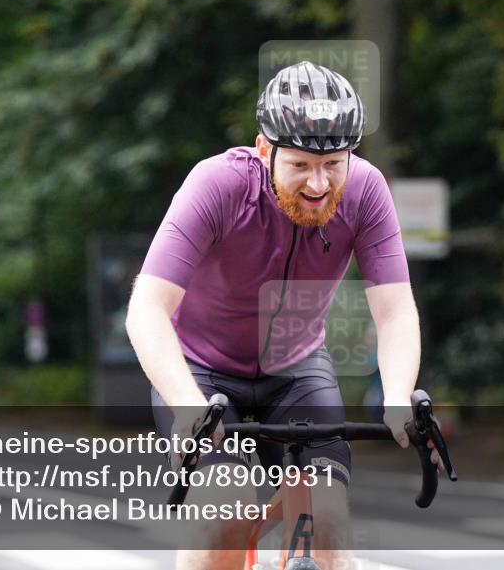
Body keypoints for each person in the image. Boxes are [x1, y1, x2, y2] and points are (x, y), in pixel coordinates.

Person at [127, 61, 436, 570]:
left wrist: (399, 395)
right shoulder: (217, 185)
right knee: (224, 513)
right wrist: (187, 407)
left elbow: (396, 309)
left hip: (296, 371)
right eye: (300, 165)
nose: (319, 184)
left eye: (334, 163)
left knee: (331, 523)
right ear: (265, 149)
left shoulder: (366, 190)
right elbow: (147, 307)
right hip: (201, 370)